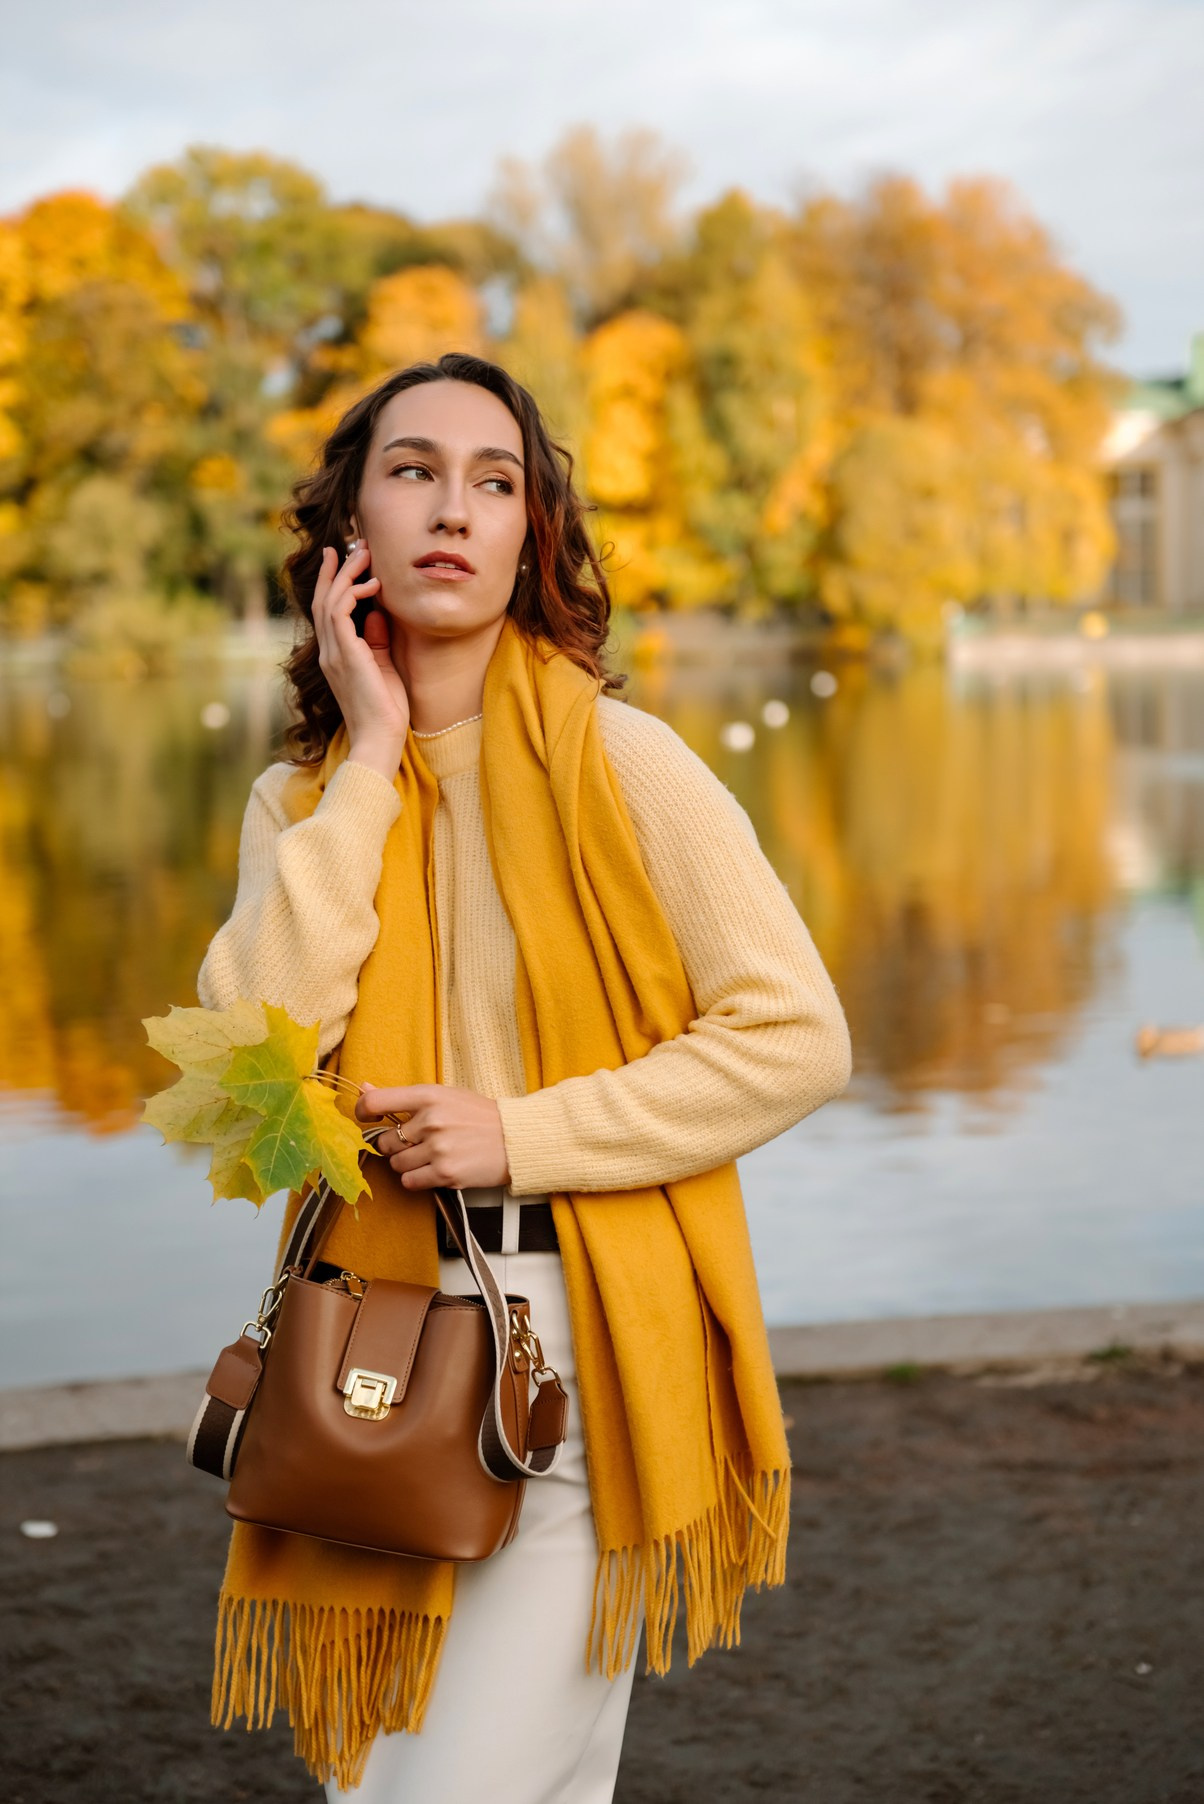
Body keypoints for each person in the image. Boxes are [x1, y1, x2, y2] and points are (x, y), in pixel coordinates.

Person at [195, 351, 853, 1801]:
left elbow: (797, 1035)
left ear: (530, 535)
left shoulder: (628, 764)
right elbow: (252, 1065)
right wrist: (371, 758)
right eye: (414, 470)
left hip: (569, 1349)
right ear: (349, 531)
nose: (456, 508)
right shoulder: (303, 802)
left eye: (496, 482)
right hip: (359, 1354)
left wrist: (521, 1133)